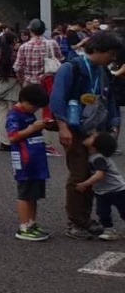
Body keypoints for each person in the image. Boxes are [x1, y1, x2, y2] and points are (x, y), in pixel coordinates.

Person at [49, 31, 123, 240]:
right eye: (111, 53)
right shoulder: (70, 67)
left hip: (96, 131)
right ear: (97, 50)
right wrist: (63, 127)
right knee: (79, 174)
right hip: (74, 128)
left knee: (94, 175)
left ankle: (86, 217)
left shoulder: (103, 72)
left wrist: (114, 125)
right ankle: (75, 221)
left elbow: (110, 101)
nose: (113, 58)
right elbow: (57, 98)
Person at [6, 83, 53, 242]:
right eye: (34, 106)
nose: (35, 110)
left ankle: (32, 223)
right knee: (25, 194)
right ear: (24, 100)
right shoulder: (14, 114)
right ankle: (24, 226)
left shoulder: (29, 114)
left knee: (34, 195)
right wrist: (32, 128)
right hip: (25, 160)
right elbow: (12, 136)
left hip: (36, 160)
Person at [79, 131, 125, 241]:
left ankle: (109, 229)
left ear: (96, 146)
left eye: (92, 137)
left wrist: (85, 184)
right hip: (101, 191)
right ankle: (108, 229)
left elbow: (99, 175)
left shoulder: (98, 158)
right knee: (102, 211)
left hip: (117, 189)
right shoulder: (92, 156)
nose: (89, 135)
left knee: (123, 209)